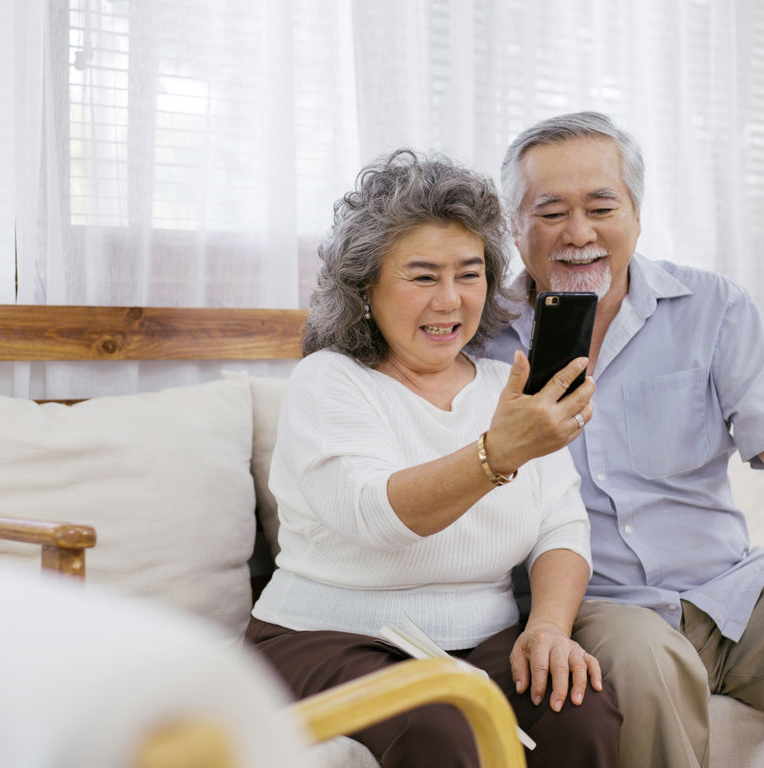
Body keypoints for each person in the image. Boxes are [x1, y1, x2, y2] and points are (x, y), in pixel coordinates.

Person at [246, 148, 622, 767]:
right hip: (329, 639)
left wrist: (549, 628)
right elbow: (375, 516)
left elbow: (561, 524)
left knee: (579, 712)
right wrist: (497, 454)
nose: (450, 301)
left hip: (482, 641)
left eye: (469, 274)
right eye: (423, 276)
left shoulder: (509, 383)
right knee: (443, 729)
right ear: (366, 286)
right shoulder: (329, 381)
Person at [487, 111, 764, 768]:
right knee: (644, 660)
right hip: (599, 609)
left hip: (730, 590)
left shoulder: (713, 308)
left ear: (636, 213)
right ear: (513, 226)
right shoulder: (482, 341)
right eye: (549, 212)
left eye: (601, 207)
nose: (578, 234)